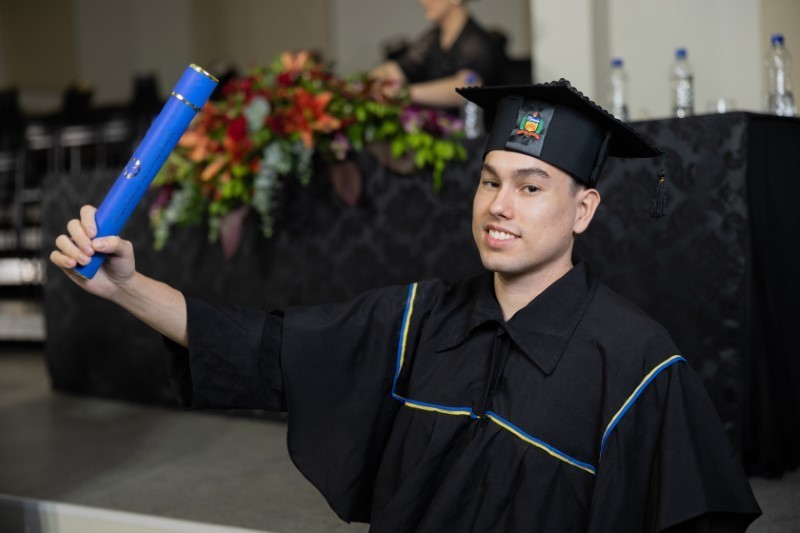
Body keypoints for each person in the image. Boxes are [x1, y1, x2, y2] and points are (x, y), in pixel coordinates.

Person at [50, 79, 762, 531]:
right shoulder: (419, 319)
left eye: (531, 186)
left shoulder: (636, 366)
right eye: (490, 181)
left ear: (584, 209)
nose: (499, 206)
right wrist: (124, 287)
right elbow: (264, 348)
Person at [370, 0, 506, 109]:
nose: (423, 1)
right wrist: (378, 78)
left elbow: (468, 86)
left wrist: (405, 93)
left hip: (472, 133)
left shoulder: (477, 43)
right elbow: (399, 67)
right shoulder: (431, 39)